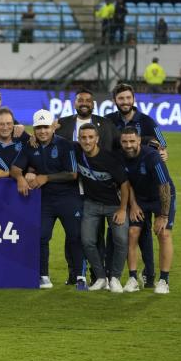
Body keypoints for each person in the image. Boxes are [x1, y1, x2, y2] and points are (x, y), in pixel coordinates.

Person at [12, 109, 82, 289]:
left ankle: (79, 276)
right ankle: (43, 276)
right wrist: (20, 177)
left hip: (68, 198)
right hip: (46, 200)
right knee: (41, 237)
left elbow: (72, 174)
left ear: (52, 127)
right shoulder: (30, 146)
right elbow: (15, 167)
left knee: (75, 236)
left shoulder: (66, 145)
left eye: (45, 127)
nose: (42, 131)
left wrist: (45, 178)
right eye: (38, 128)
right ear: (34, 129)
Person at [76, 123, 131, 293]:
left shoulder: (110, 159)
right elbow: (52, 138)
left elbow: (124, 184)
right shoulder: (76, 151)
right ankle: (100, 277)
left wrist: (122, 209)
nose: (87, 141)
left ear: (97, 139)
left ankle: (115, 278)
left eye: (91, 137)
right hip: (91, 204)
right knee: (87, 241)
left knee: (121, 240)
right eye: (83, 137)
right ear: (78, 139)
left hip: (114, 205)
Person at [120, 127, 175, 294]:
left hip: (161, 197)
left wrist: (163, 215)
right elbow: (126, 183)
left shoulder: (152, 156)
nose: (128, 145)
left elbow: (164, 186)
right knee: (132, 233)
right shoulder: (120, 157)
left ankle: (164, 281)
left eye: (132, 141)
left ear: (138, 141)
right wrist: (134, 204)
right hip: (140, 199)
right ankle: (132, 278)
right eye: (124, 142)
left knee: (163, 233)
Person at [105, 83, 167, 157]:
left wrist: (163, 152)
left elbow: (162, 144)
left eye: (128, 98)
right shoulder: (107, 120)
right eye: (121, 98)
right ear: (114, 101)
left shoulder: (147, 121)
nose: (125, 102)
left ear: (134, 99)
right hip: (116, 165)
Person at [55, 88, 121, 151]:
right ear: (74, 104)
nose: (84, 103)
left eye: (88, 101)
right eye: (80, 100)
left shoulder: (106, 124)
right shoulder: (62, 123)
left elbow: (118, 144)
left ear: (93, 105)